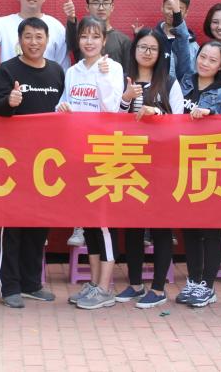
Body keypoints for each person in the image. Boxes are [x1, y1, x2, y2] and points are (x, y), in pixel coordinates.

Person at [166, 0, 221, 308]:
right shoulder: (185, 80)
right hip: (184, 163)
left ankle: (208, 284)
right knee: (190, 226)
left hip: (213, 165)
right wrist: (177, 14)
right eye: (203, 56)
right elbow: (182, 44)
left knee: (212, 228)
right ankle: (193, 280)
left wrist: (212, 116)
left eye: (212, 59)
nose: (205, 62)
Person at [0, 18, 65, 308]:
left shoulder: (57, 72)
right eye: (28, 37)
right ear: (19, 40)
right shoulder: (7, 70)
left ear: (47, 40)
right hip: (13, 161)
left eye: (39, 37)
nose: (34, 42)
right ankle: (9, 285)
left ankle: (32, 283)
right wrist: (9, 102)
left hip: (46, 162)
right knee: (11, 226)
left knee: (38, 224)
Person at [112, 28, 184, 310]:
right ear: (134, 49)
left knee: (161, 226)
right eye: (142, 46)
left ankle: (158, 288)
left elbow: (180, 121)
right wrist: (125, 98)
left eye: (153, 48)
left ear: (160, 53)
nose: (147, 52)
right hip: (130, 161)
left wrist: (158, 114)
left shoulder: (169, 82)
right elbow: (111, 119)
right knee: (132, 226)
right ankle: (134, 284)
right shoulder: (122, 79)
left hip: (161, 164)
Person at [56, 16, 124, 310]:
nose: (89, 41)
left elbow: (112, 108)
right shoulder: (72, 71)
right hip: (78, 154)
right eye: (84, 36)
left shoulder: (113, 68)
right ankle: (95, 284)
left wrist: (104, 78)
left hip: (104, 153)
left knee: (103, 222)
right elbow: (63, 104)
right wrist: (61, 107)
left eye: (95, 36)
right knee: (88, 222)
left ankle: (106, 287)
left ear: (104, 40)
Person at [64, 0, 131, 68]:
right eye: (96, 3)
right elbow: (71, 41)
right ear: (87, 7)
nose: (101, 8)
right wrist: (71, 18)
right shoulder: (81, 37)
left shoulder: (123, 41)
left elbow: (127, 72)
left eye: (105, 3)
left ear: (112, 7)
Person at [152, 0, 197, 81]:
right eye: (169, 7)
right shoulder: (150, 38)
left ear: (186, 12)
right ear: (162, 7)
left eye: (178, 9)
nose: (172, 13)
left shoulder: (193, 46)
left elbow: (192, 78)